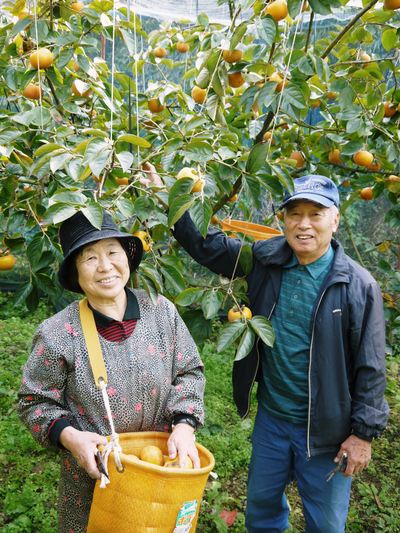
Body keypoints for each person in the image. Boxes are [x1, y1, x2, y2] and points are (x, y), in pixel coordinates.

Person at [145, 166, 389, 532]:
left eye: (316, 214)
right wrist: (173, 195)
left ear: (335, 220)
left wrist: (363, 435)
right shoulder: (266, 259)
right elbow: (205, 248)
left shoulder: (357, 285)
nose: (304, 224)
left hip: (327, 432)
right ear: (284, 220)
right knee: (261, 511)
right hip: (273, 419)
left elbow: (370, 367)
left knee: (326, 523)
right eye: (295, 214)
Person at [18, 210, 205, 533]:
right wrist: (71, 437)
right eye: (89, 258)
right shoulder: (58, 333)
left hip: (161, 469)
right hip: (95, 480)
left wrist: (185, 425)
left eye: (112, 252)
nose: (105, 266)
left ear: (127, 259)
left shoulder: (160, 311)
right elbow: (34, 401)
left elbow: (189, 371)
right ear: (76, 272)